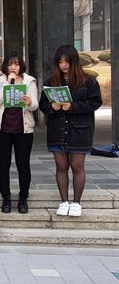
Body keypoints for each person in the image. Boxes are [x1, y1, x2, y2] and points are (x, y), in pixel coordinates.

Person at [39, 45, 102, 217]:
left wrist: (72, 106)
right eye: (60, 62)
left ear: (74, 61)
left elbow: (95, 102)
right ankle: (64, 201)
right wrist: (52, 106)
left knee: (77, 166)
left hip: (79, 130)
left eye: (67, 61)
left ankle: (77, 202)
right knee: (61, 166)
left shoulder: (87, 81)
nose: (63, 65)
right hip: (57, 129)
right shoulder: (50, 82)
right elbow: (43, 105)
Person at [0, 53, 39, 214]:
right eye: (10, 64)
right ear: (5, 66)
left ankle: (23, 199)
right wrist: (8, 83)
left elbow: (35, 106)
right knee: (3, 165)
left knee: (23, 165)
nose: (13, 67)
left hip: (23, 130)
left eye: (16, 64)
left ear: (21, 66)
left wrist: (29, 102)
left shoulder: (29, 81)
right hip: (2, 130)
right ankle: (6, 198)